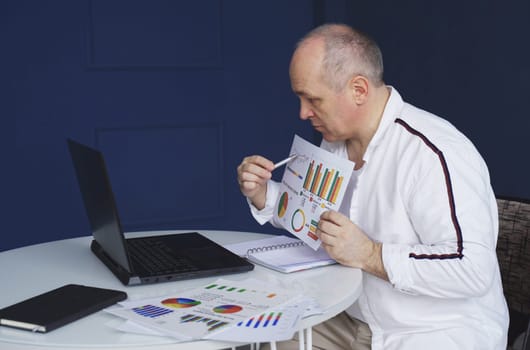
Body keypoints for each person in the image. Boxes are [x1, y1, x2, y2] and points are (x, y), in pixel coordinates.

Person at [236, 23, 509, 349]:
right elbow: (310, 217)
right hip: (350, 318)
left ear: (359, 90)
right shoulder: (333, 144)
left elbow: (472, 270)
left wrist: (370, 254)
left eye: (312, 99)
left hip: (435, 332)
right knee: (256, 337)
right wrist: (264, 194)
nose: (303, 113)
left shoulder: (434, 153)